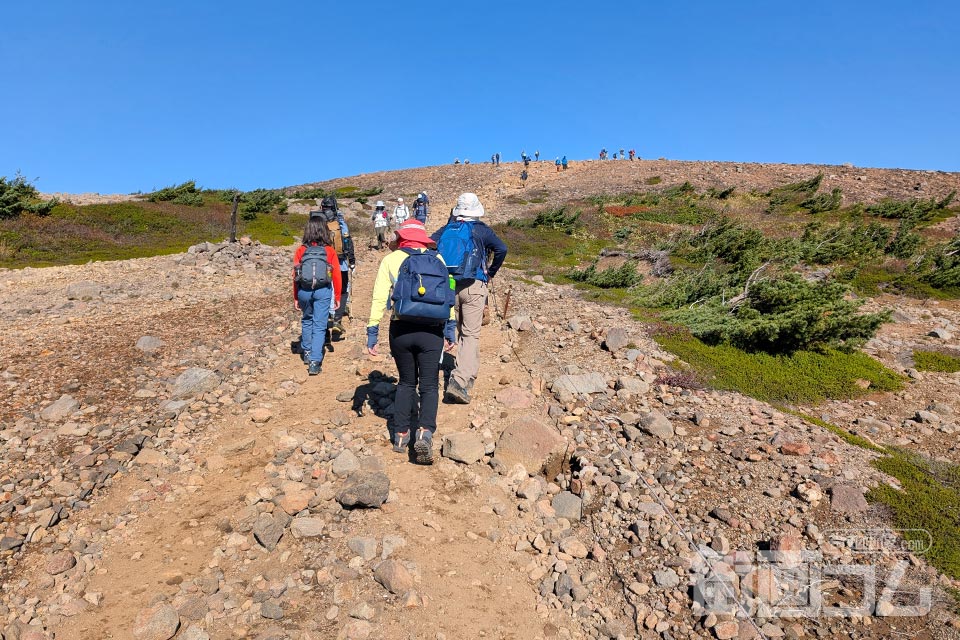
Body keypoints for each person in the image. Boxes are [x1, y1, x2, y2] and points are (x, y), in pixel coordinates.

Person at [366, 220, 456, 464]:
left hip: (401, 329)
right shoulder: (438, 261)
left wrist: (372, 331)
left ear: (401, 238)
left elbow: (378, 298)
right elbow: (448, 295)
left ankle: (401, 434)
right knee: (428, 385)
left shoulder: (390, 260)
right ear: (424, 239)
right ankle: (425, 433)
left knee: (406, 382)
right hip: (432, 331)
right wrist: (450, 328)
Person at [433, 193, 508, 405]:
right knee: (471, 334)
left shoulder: (447, 229)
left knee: (457, 329)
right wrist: (491, 271)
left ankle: (468, 373)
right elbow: (502, 249)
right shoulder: (481, 229)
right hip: (474, 285)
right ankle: (459, 381)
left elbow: (429, 244)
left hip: (449, 285)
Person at [293, 215, 342, 375]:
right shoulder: (329, 251)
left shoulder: (301, 250)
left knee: (307, 320)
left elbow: (295, 275)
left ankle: (306, 352)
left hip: (304, 291)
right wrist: (337, 298)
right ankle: (315, 361)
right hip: (323, 290)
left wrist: (295, 297)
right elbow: (336, 276)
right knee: (320, 325)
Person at [330, 200, 356, 339]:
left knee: (327, 289)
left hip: (323, 263)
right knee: (343, 289)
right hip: (340, 263)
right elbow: (347, 241)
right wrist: (352, 261)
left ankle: (328, 315)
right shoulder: (340, 222)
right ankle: (337, 320)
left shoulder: (317, 221)